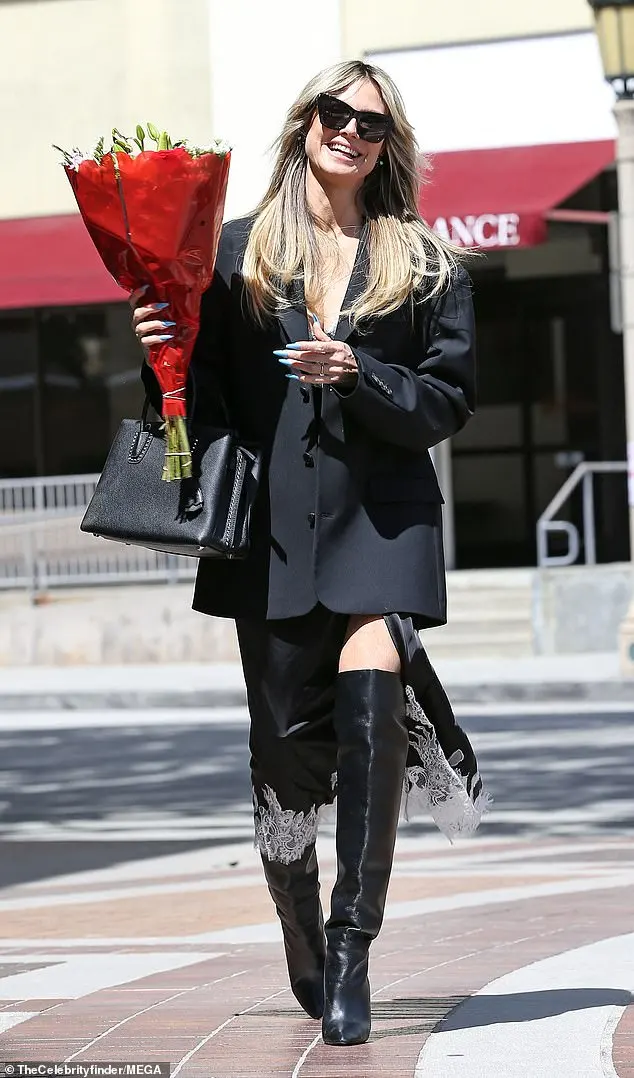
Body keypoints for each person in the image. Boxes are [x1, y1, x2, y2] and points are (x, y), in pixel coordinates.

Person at [132, 59, 485, 1047]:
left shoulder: (424, 260)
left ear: (387, 145)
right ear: (305, 126)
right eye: (335, 114)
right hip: (274, 538)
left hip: (383, 523)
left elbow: (448, 400)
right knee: (285, 760)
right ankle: (295, 911)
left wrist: (359, 371)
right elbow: (195, 414)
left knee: (372, 720)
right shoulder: (233, 254)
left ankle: (350, 951)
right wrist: (158, 341)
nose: (350, 132)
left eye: (370, 123)